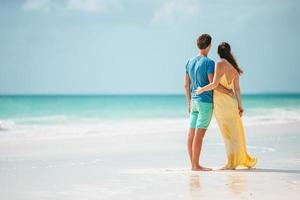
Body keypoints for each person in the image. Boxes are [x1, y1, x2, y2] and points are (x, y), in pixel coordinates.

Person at [195, 42, 257, 169]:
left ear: (218, 52)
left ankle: (230, 163)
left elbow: (214, 84)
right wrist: (240, 106)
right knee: (233, 134)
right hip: (231, 104)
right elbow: (237, 89)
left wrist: (201, 89)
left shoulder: (220, 64)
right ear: (229, 52)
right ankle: (232, 162)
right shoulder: (234, 68)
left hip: (221, 105)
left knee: (227, 134)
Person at [184, 34, 234, 171]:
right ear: (209, 46)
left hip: (193, 101)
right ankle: (195, 165)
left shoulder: (189, 62)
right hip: (205, 102)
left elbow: (186, 86)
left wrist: (188, 102)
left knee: (191, 134)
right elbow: (214, 84)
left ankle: (193, 164)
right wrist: (228, 92)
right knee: (199, 135)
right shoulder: (209, 63)